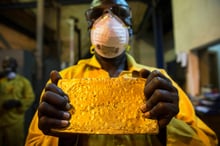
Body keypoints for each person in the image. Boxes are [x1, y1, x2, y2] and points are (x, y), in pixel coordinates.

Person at [25, 0, 218, 145]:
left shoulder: (157, 81)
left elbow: (208, 141)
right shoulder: (65, 81)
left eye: (120, 12)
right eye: (97, 14)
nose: (108, 19)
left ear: (130, 29)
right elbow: (33, 142)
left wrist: (167, 128)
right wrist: (62, 139)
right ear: (89, 28)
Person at [0, 56, 35, 146]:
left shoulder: (23, 82)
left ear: (15, 68)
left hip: (15, 121)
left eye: (10, 68)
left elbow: (30, 97)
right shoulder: (1, 80)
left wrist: (18, 103)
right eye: (6, 68)